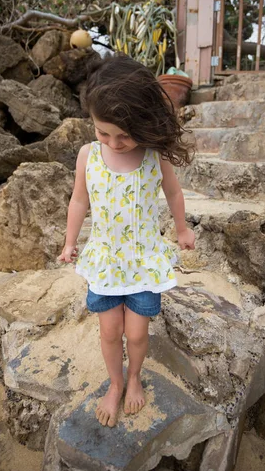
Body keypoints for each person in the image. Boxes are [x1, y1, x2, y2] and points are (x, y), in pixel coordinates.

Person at [58, 54, 195, 428]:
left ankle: (134, 376)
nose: (114, 143)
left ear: (145, 123)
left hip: (144, 260)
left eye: (124, 134)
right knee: (109, 330)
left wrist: (182, 229)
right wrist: (70, 241)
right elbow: (79, 200)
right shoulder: (88, 155)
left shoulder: (154, 156)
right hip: (104, 259)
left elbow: (174, 194)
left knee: (136, 333)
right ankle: (115, 383)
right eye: (104, 133)